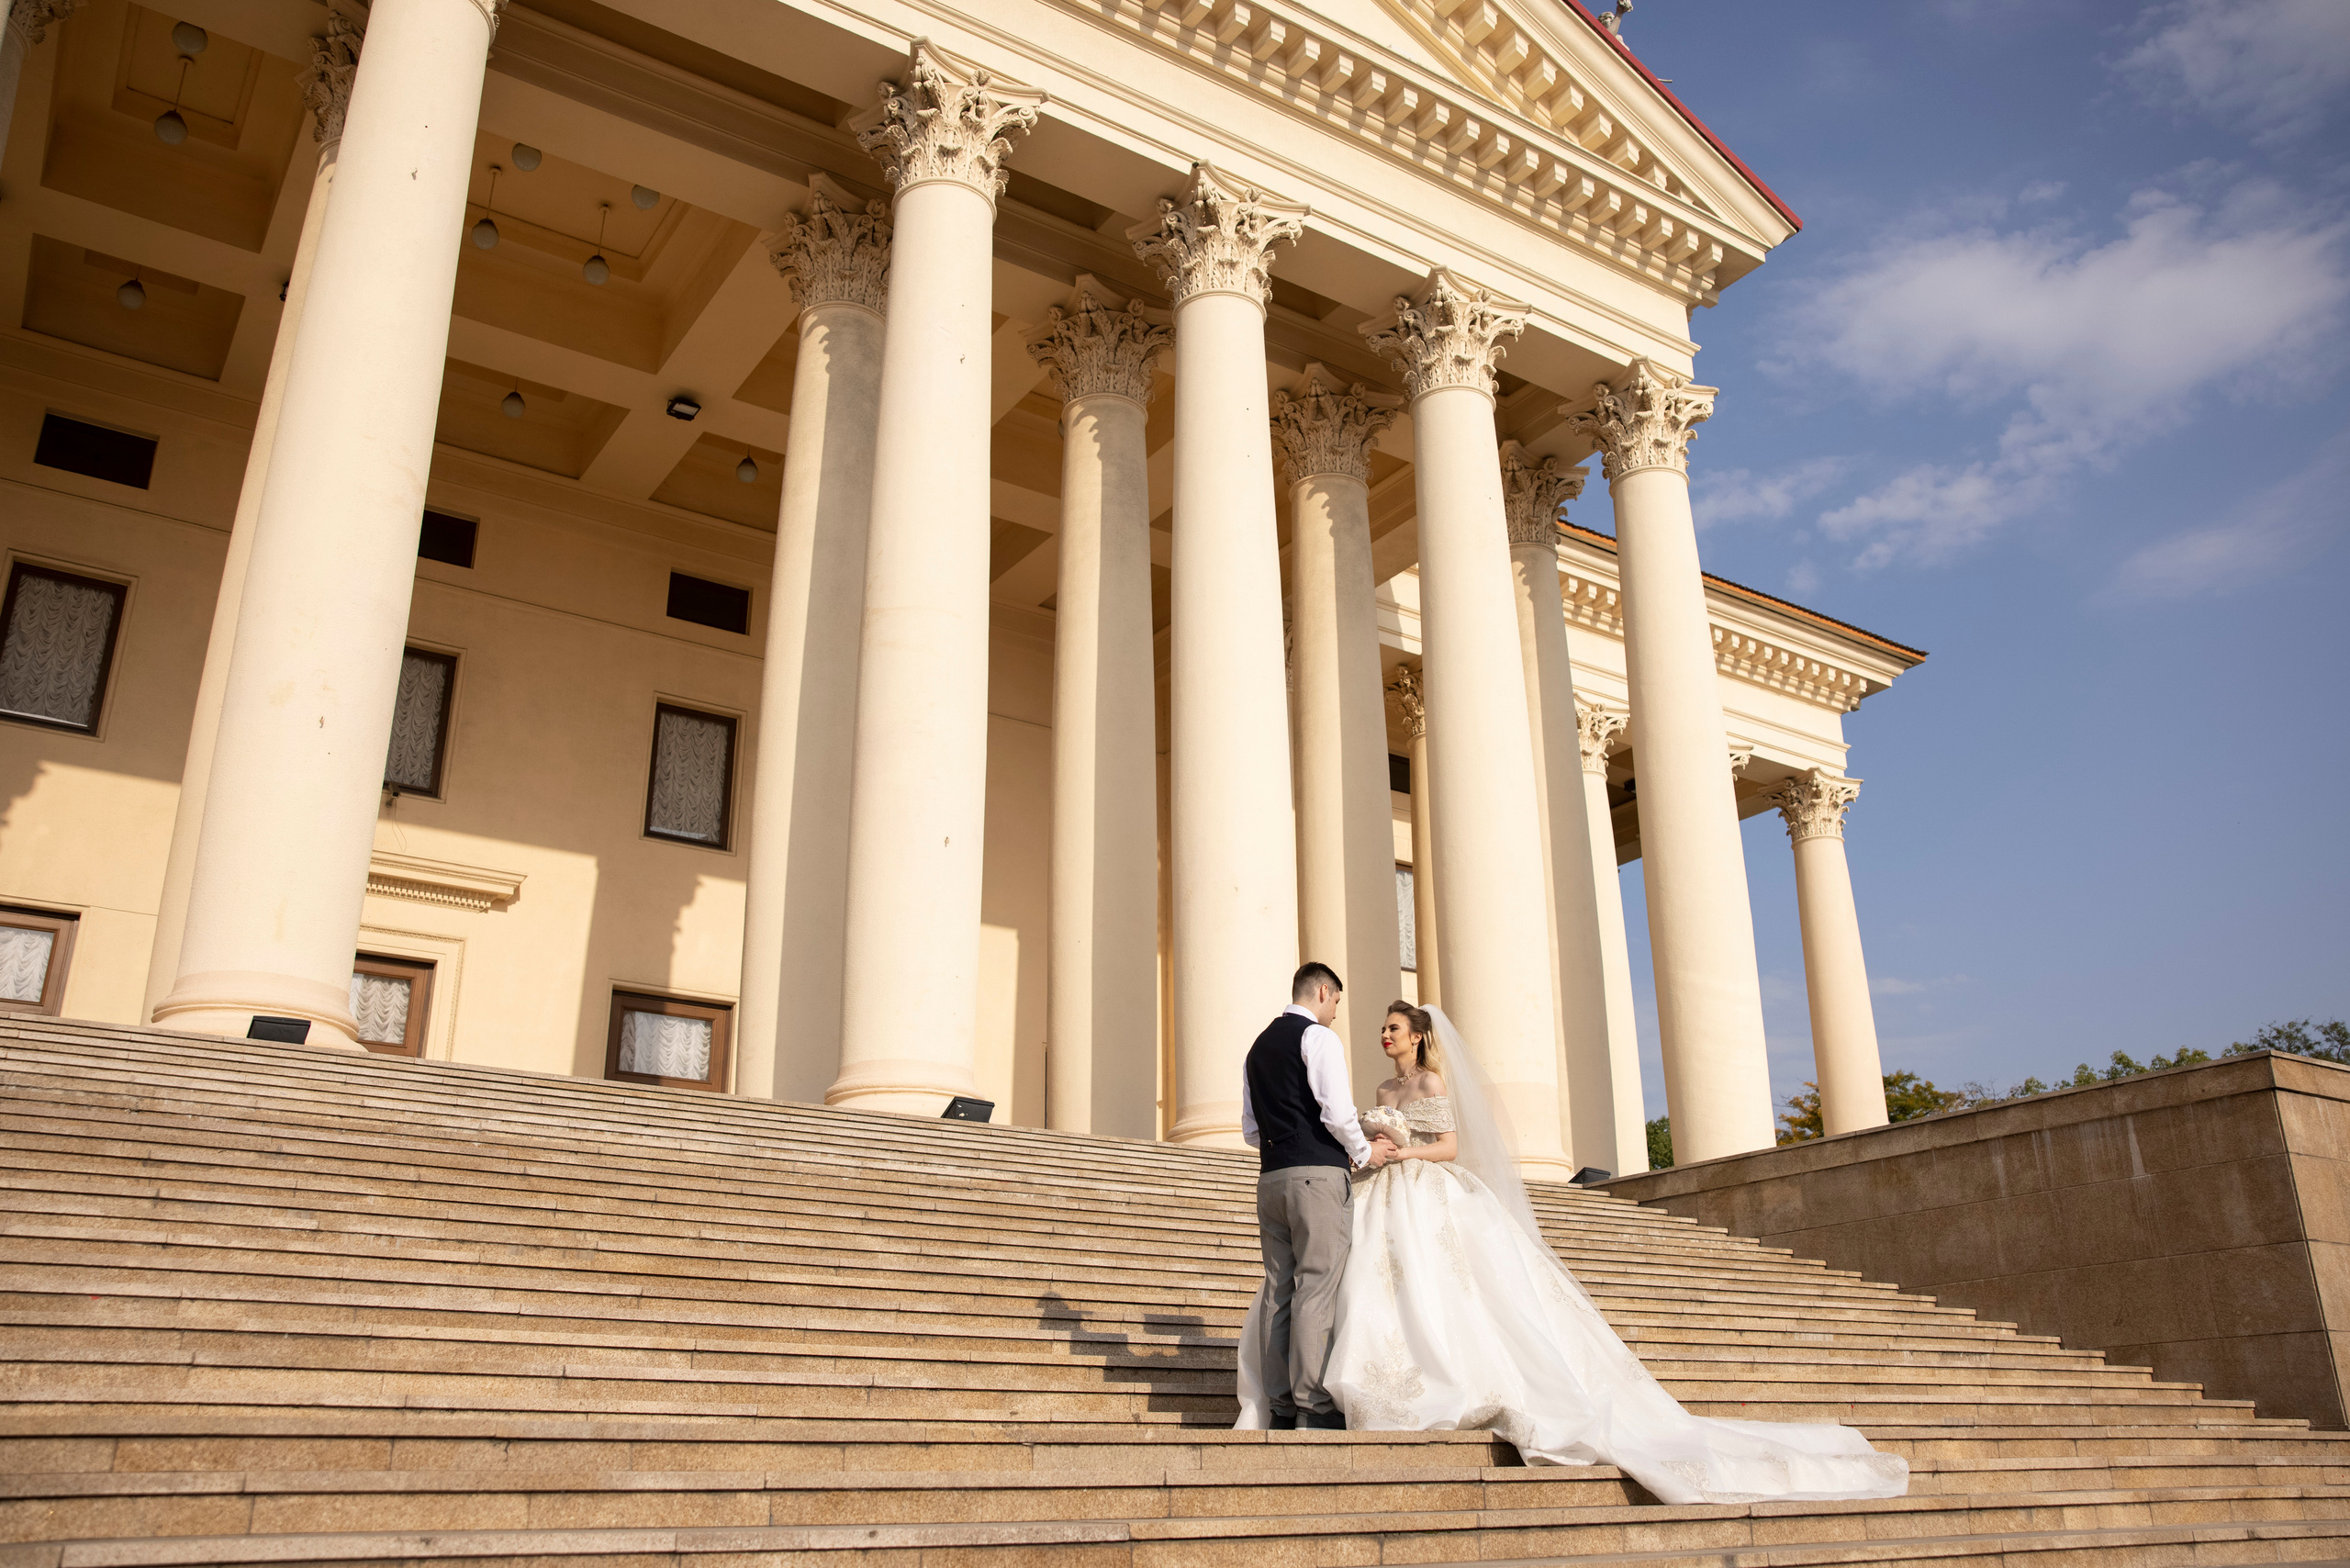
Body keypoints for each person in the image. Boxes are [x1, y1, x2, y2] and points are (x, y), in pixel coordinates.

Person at [1243, 1000, 1910, 1506]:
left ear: (1418, 1036)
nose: (1384, 1036)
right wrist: (1370, 1157)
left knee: (1439, 1288)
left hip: (1426, 1190)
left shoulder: (1431, 1088)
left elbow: (1450, 1147)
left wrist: (1403, 1152)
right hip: (1380, 1194)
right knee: (1369, 1290)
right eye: (1383, 1029)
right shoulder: (1383, 1092)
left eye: (1394, 1027)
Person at [1236, 961, 1391, 1430]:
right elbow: (1338, 1115)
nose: (1336, 1012)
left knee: (1279, 1294)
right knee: (1317, 1289)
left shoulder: (1256, 1048)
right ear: (1323, 992)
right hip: (1316, 1178)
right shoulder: (1318, 1039)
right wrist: (1364, 1153)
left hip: (1271, 1179)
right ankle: (1312, 1405)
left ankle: (1279, 1407)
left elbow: (1249, 1129)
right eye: (1337, 1002)